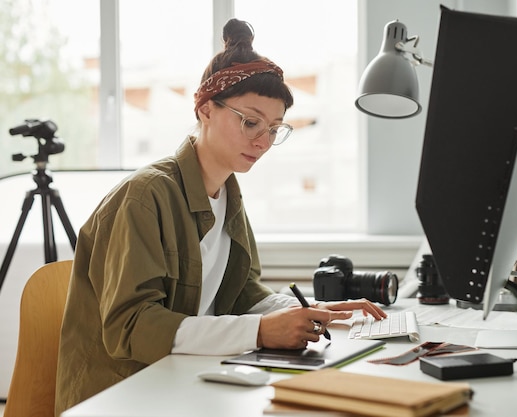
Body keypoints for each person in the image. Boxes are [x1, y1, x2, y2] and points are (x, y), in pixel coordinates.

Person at [54, 18, 386, 416]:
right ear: (205, 109)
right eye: (250, 122)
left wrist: (306, 311)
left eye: (274, 128)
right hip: (123, 396)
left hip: (183, 380)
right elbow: (133, 327)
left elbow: (243, 293)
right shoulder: (145, 196)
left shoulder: (227, 193)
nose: (262, 141)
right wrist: (262, 331)